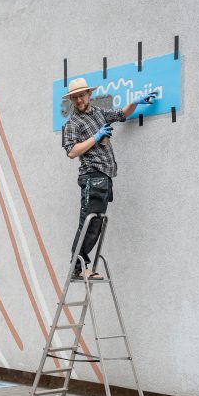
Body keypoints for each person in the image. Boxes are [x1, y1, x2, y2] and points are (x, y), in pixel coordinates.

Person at [61, 77, 157, 279]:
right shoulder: (72, 123)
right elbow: (72, 152)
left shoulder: (99, 114)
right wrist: (95, 137)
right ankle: (79, 267)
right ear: (71, 100)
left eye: (81, 95)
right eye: (75, 97)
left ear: (89, 94)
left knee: (95, 223)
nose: (79, 100)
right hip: (91, 176)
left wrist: (135, 102)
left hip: (105, 177)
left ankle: (82, 266)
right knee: (87, 222)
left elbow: (121, 114)